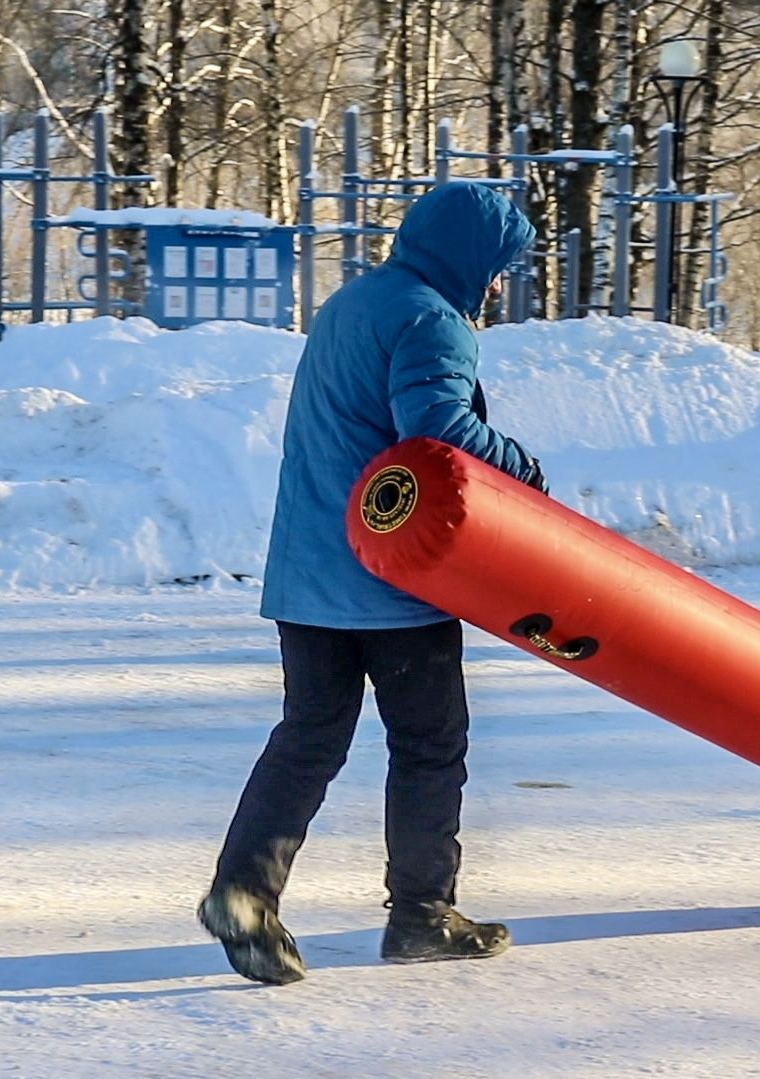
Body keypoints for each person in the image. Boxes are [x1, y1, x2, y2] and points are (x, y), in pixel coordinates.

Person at [197, 181, 545, 985]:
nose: (497, 284)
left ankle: (244, 893)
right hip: (392, 577)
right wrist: (522, 468)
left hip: (306, 573)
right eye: (497, 267)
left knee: (308, 740)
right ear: (467, 257)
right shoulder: (430, 319)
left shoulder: (354, 303)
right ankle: (422, 916)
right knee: (428, 745)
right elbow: (435, 430)